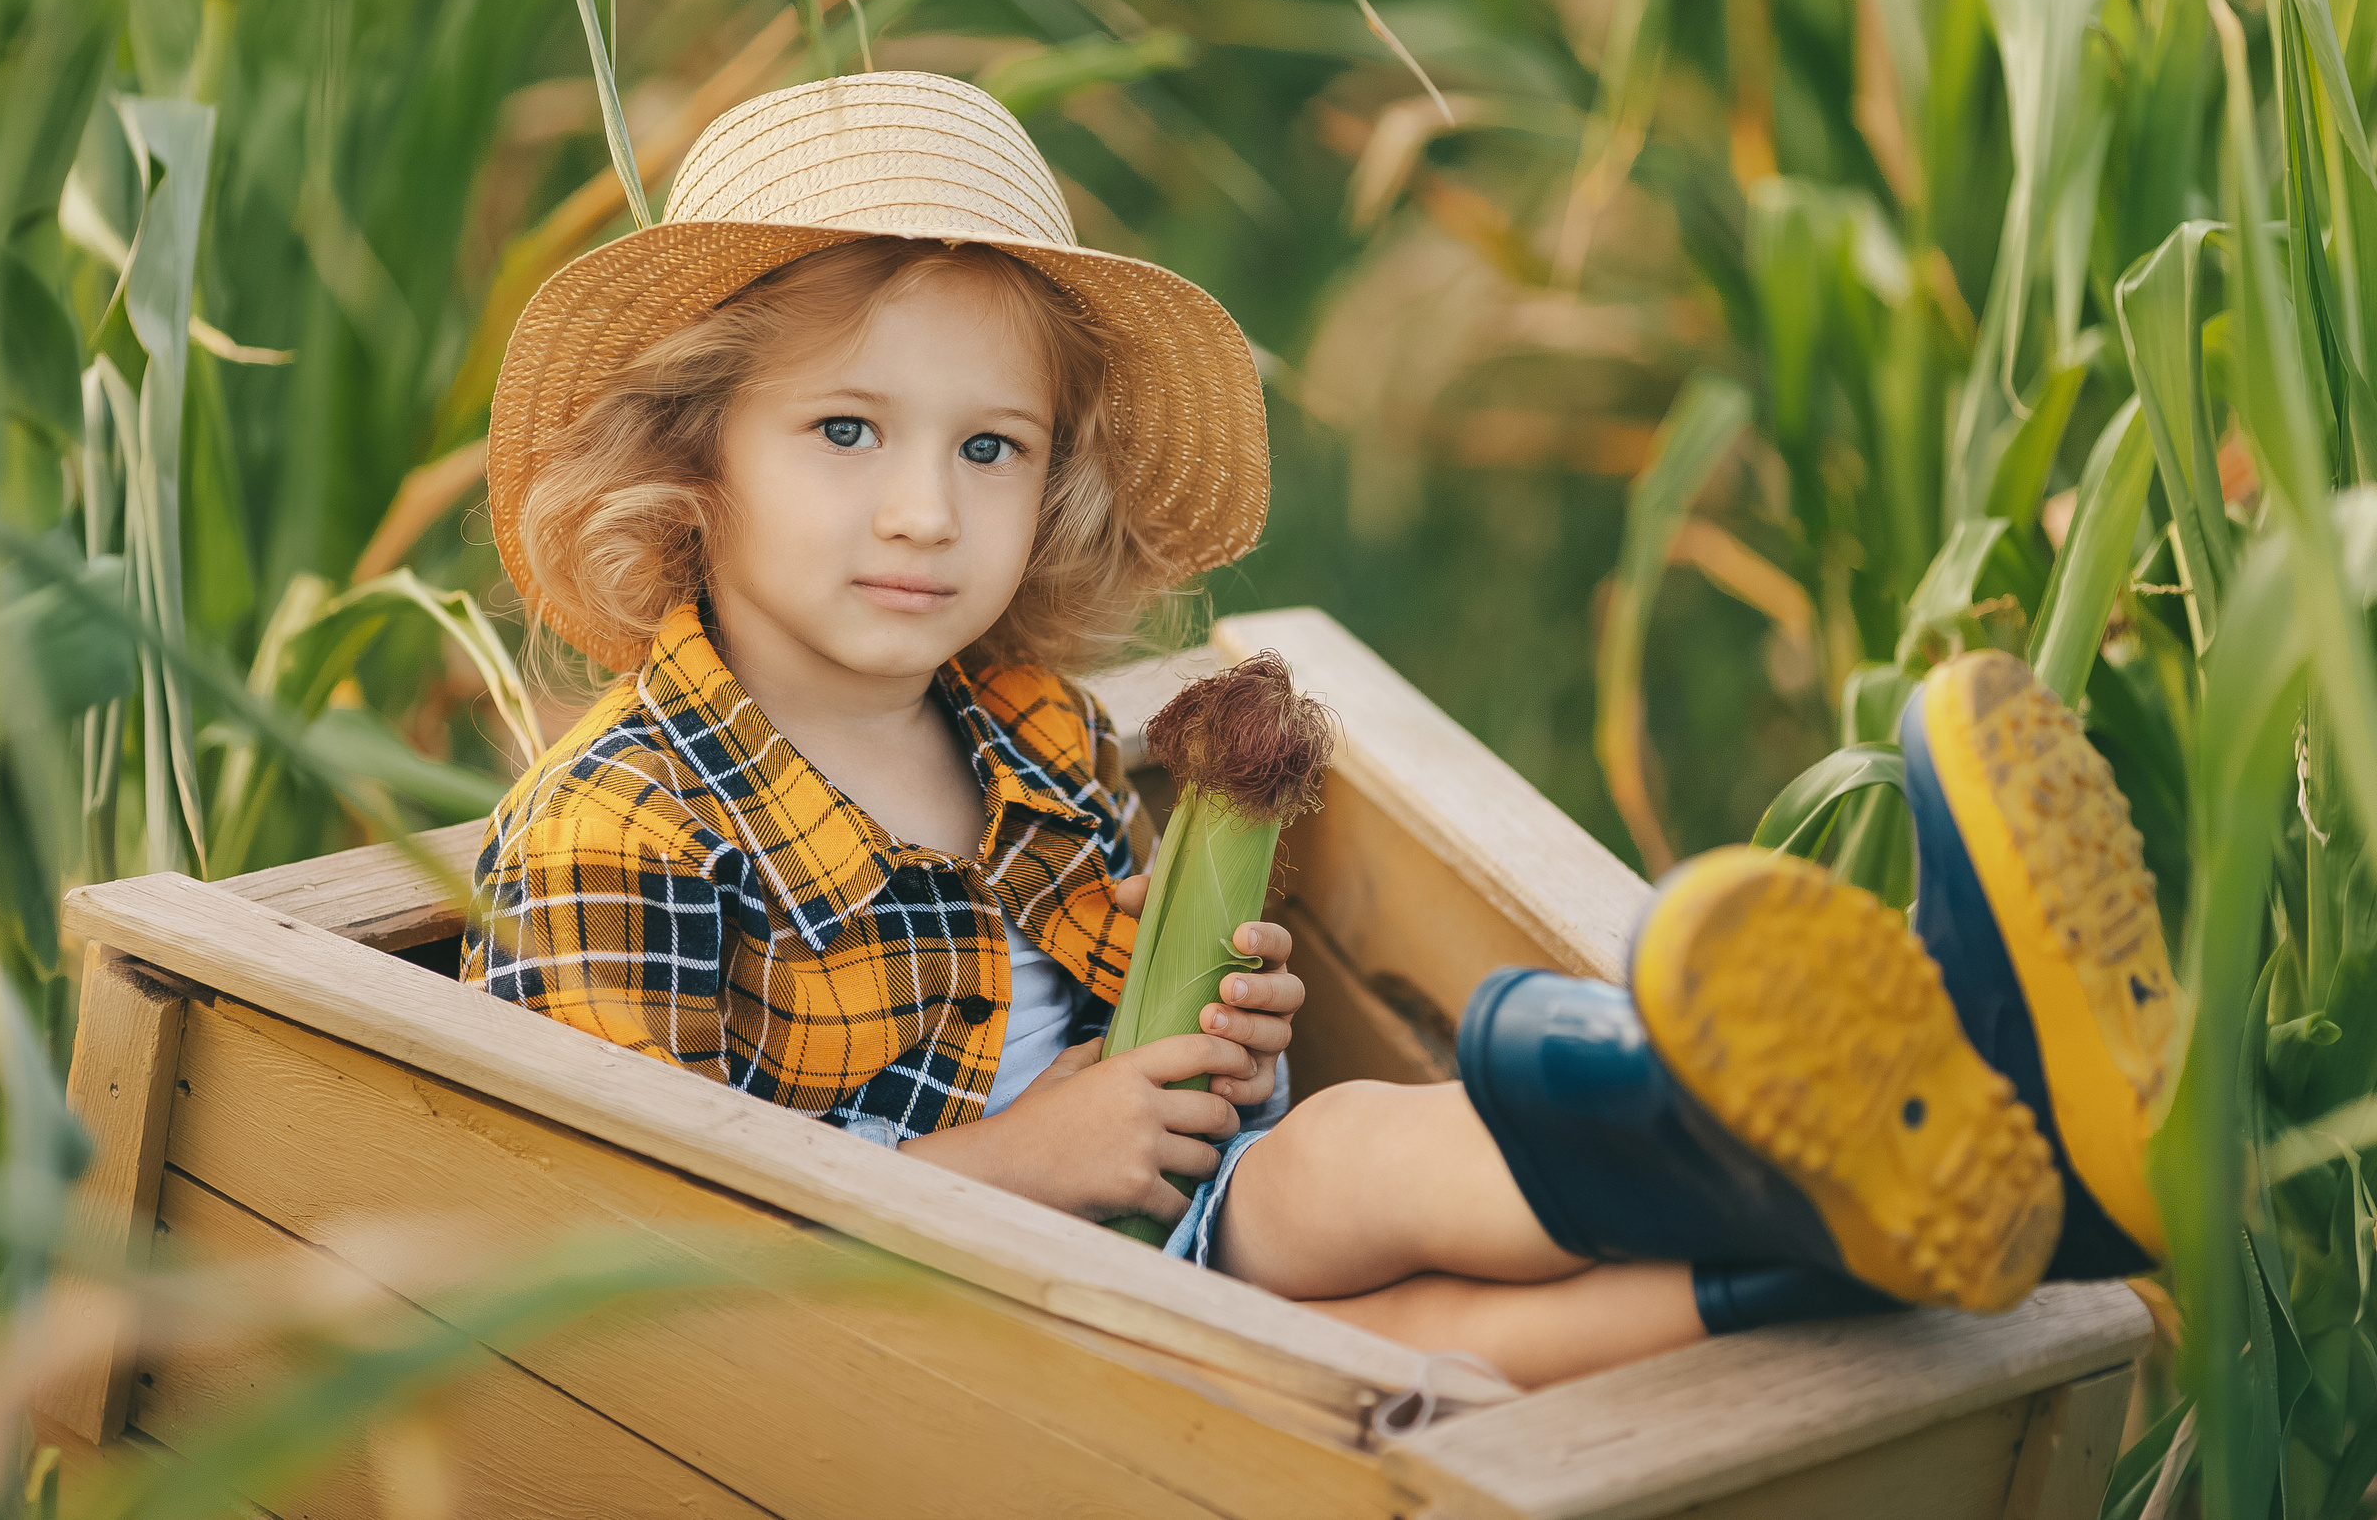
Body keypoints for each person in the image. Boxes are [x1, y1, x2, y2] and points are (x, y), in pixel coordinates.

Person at [463, 71, 2180, 1391]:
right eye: (847, 430)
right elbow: (624, 1273)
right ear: (692, 454)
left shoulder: (1032, 739)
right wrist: (1022, 1161)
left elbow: (1124, 1063)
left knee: (1399, 1255)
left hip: (1167, 1263)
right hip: (935, 1373)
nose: (924, 510)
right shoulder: (622, 828)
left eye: (988, 448)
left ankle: (1953, 1198)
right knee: (1393, 1259)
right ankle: (1850, 1140)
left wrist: (1218, 1038)